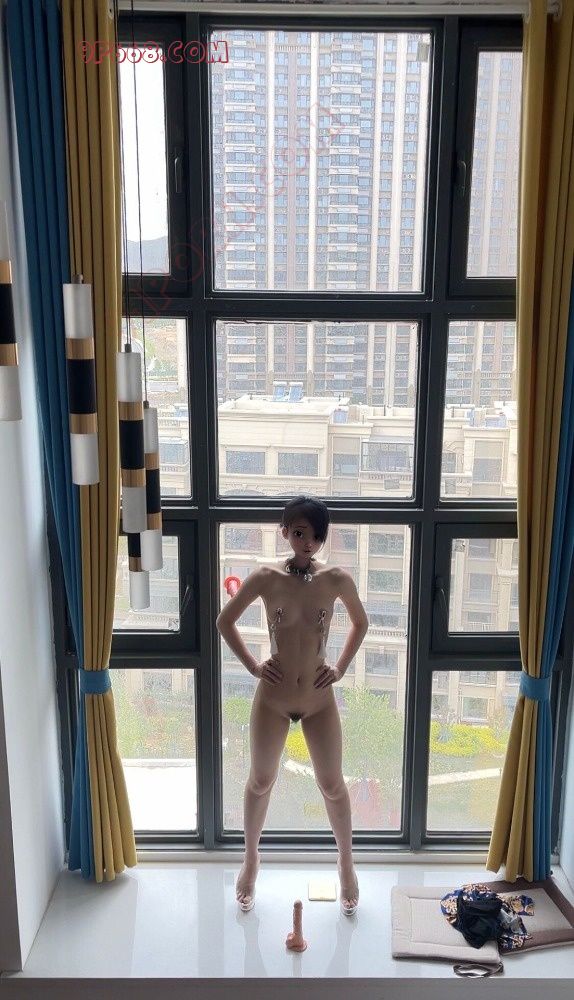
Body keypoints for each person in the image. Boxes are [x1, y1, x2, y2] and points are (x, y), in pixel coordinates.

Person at [216, 495, 369, 916]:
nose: (308, 542)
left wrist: (340, 668)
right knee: (260, 780)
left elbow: (361, 622)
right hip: (274, 698)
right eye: (299, 533)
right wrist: (253, 665)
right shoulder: (265, 577)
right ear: (284, 531)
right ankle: (250, 860)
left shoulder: (336, 579)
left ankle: (346, 864)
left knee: (332, 784)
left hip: (319, 700)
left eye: (316, 536)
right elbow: (225, 621)